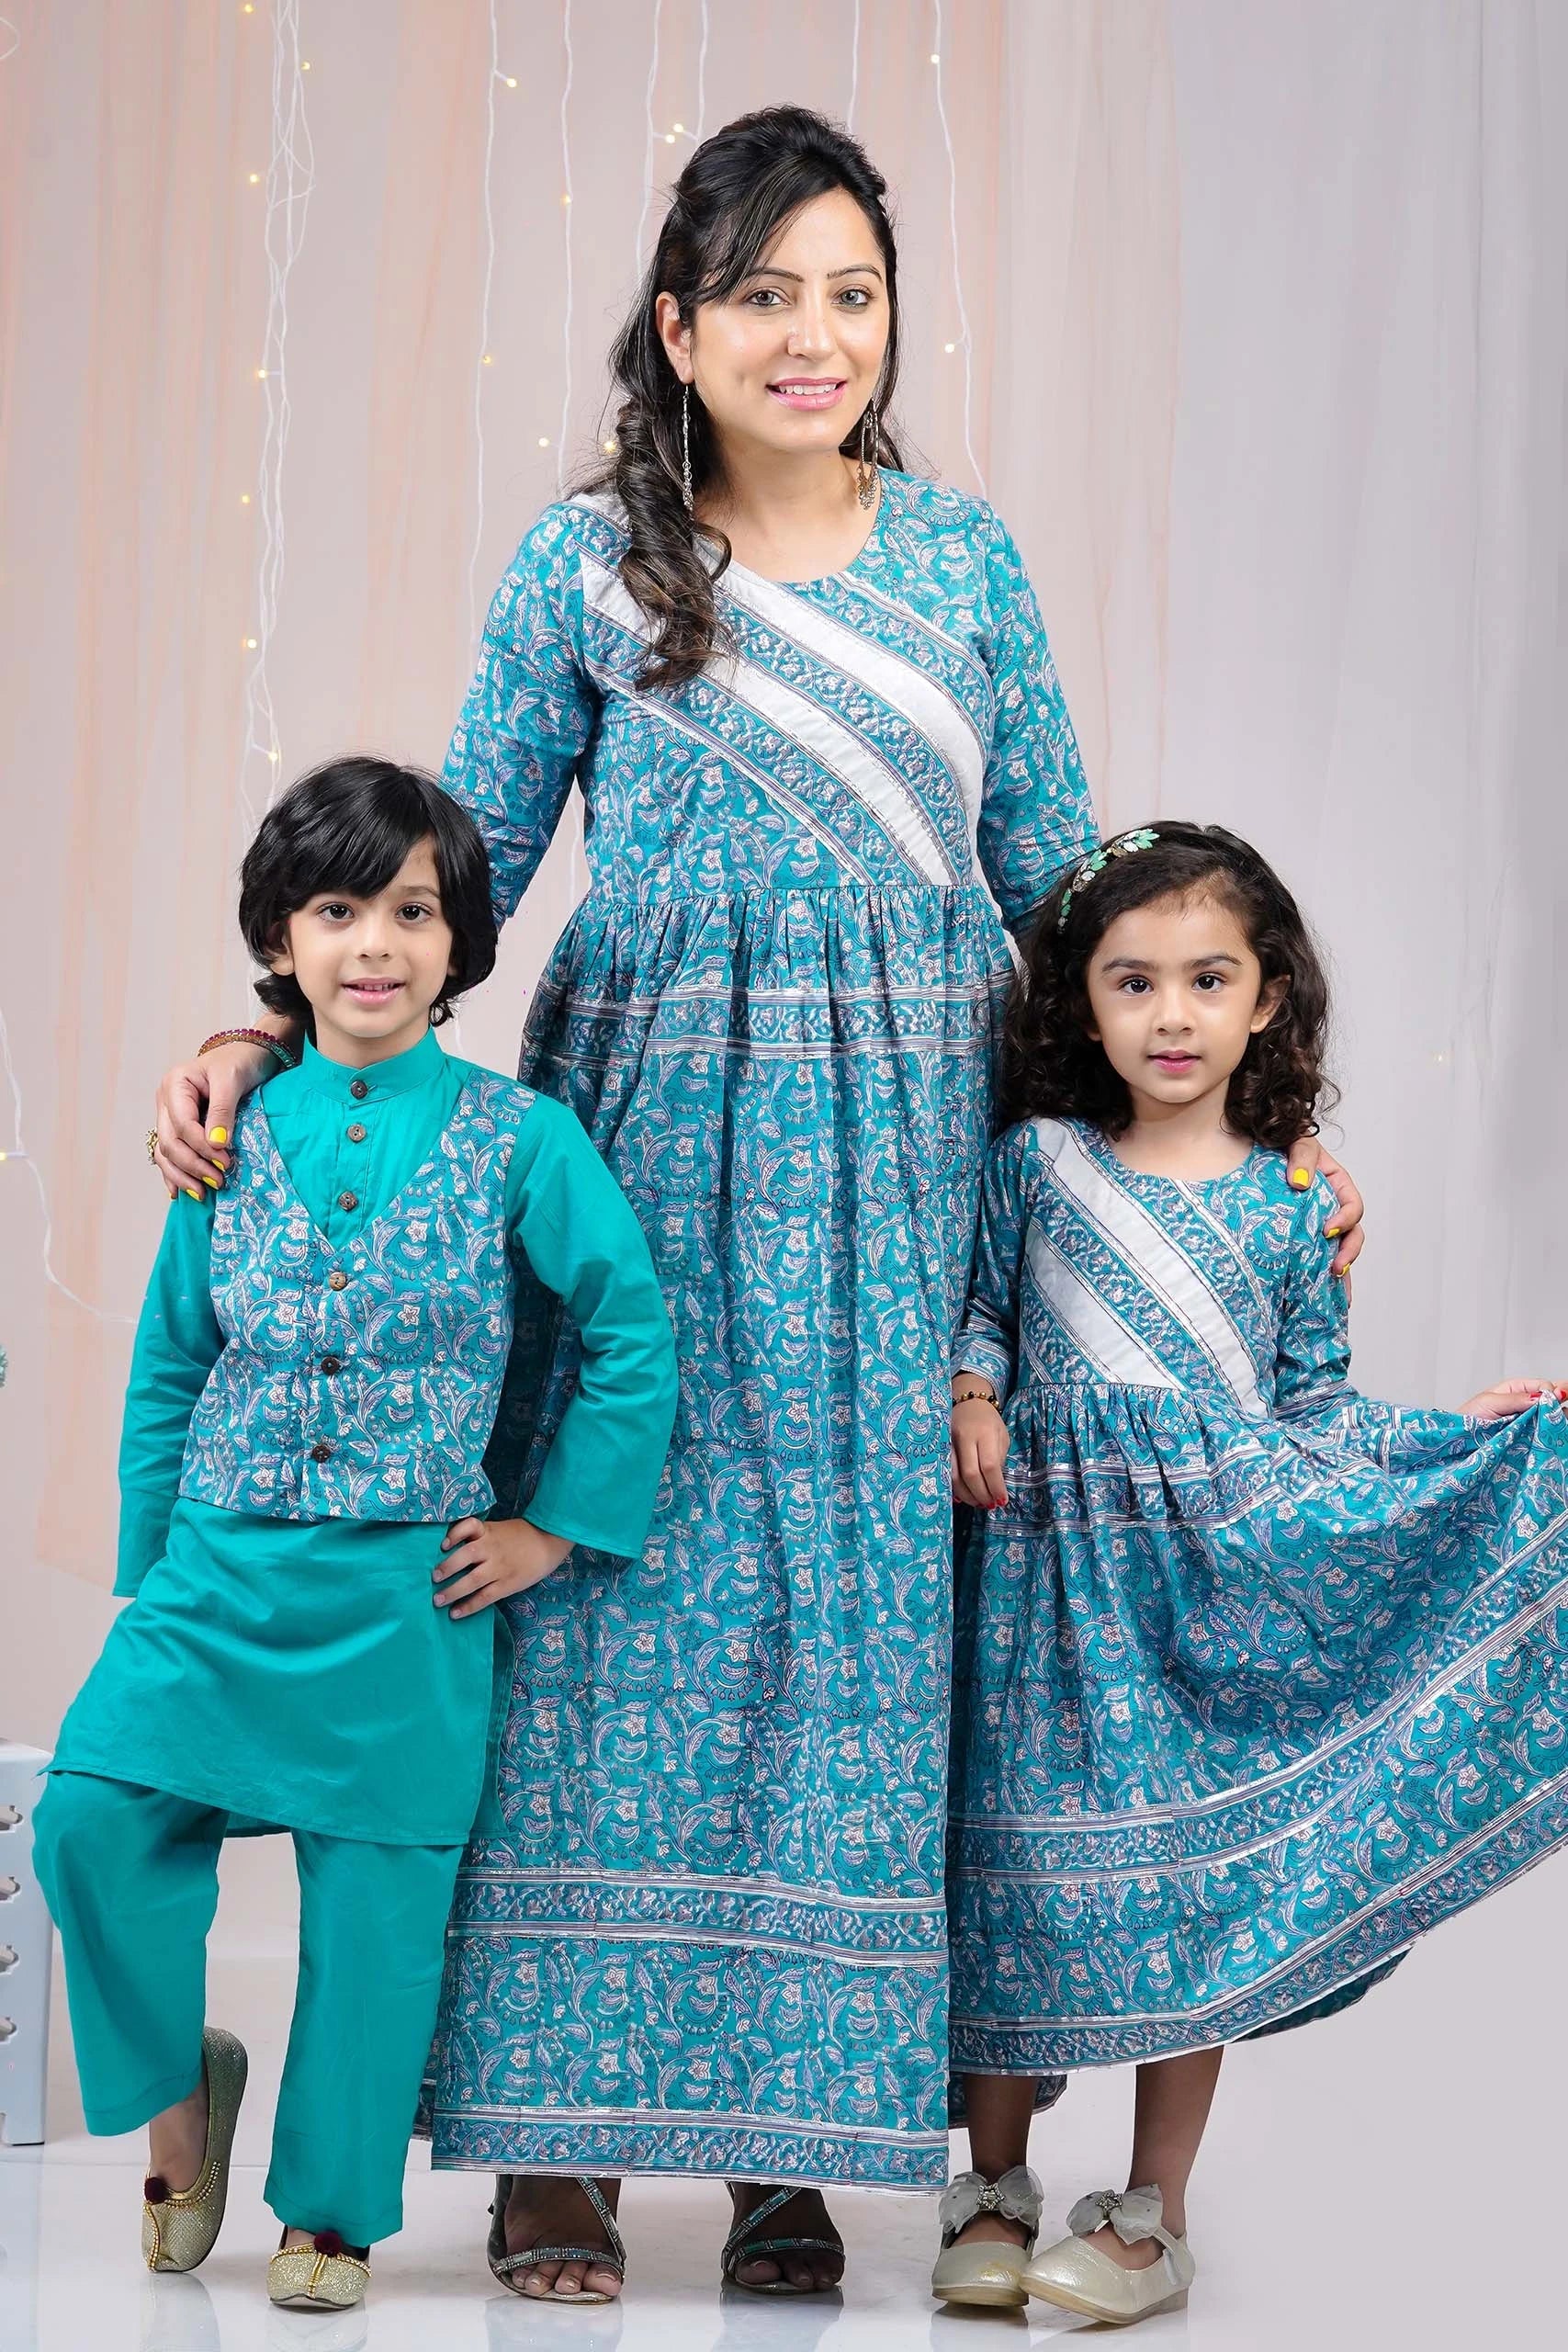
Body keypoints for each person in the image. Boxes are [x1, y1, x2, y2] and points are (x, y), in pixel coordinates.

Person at [147, 110, 1363, 2303]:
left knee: (853, 1639)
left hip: (905, 1176)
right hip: (638, 1160)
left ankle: (787, 2149)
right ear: (681, 327)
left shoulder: (965, 563)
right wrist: (265, 1032)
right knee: (597, 1615)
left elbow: (1066, 891)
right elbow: (456, 875)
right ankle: (553, 2147)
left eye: (852, 293)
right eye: (767, 295)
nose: (816, 335)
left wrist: (1250, 1129)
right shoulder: (584, 566)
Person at [38, 761, 676, 2314]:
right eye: (336, 910)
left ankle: (330, 2211)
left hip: (405, 1598)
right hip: (219, 1574)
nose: (375, 944)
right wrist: (154, 1569)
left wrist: (552, 1531)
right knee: (89, 1822)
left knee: (376, 1916)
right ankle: (180, 2116)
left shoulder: (522, 1138)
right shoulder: (230, 1129)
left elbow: (631, 1331)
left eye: (413, 911)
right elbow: (173, 1360)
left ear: (460, 945)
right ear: (282, 936)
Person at [931, 821, 1568, 2325]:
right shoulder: (1036, 1162)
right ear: (1082, 1003)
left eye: (1207, 981)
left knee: (1189, 1892)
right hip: (1041, 1593)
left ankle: (1152, 2214)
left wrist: (1458, 1436)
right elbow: (982, 1311)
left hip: (1207, 1593)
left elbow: (1314, 1413)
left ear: (1267, 997)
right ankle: (993, 2186)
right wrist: (970, 1394)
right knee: (1013, 1876)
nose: (1172, 1016)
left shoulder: (1290, 1205)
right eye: (1133, 982)